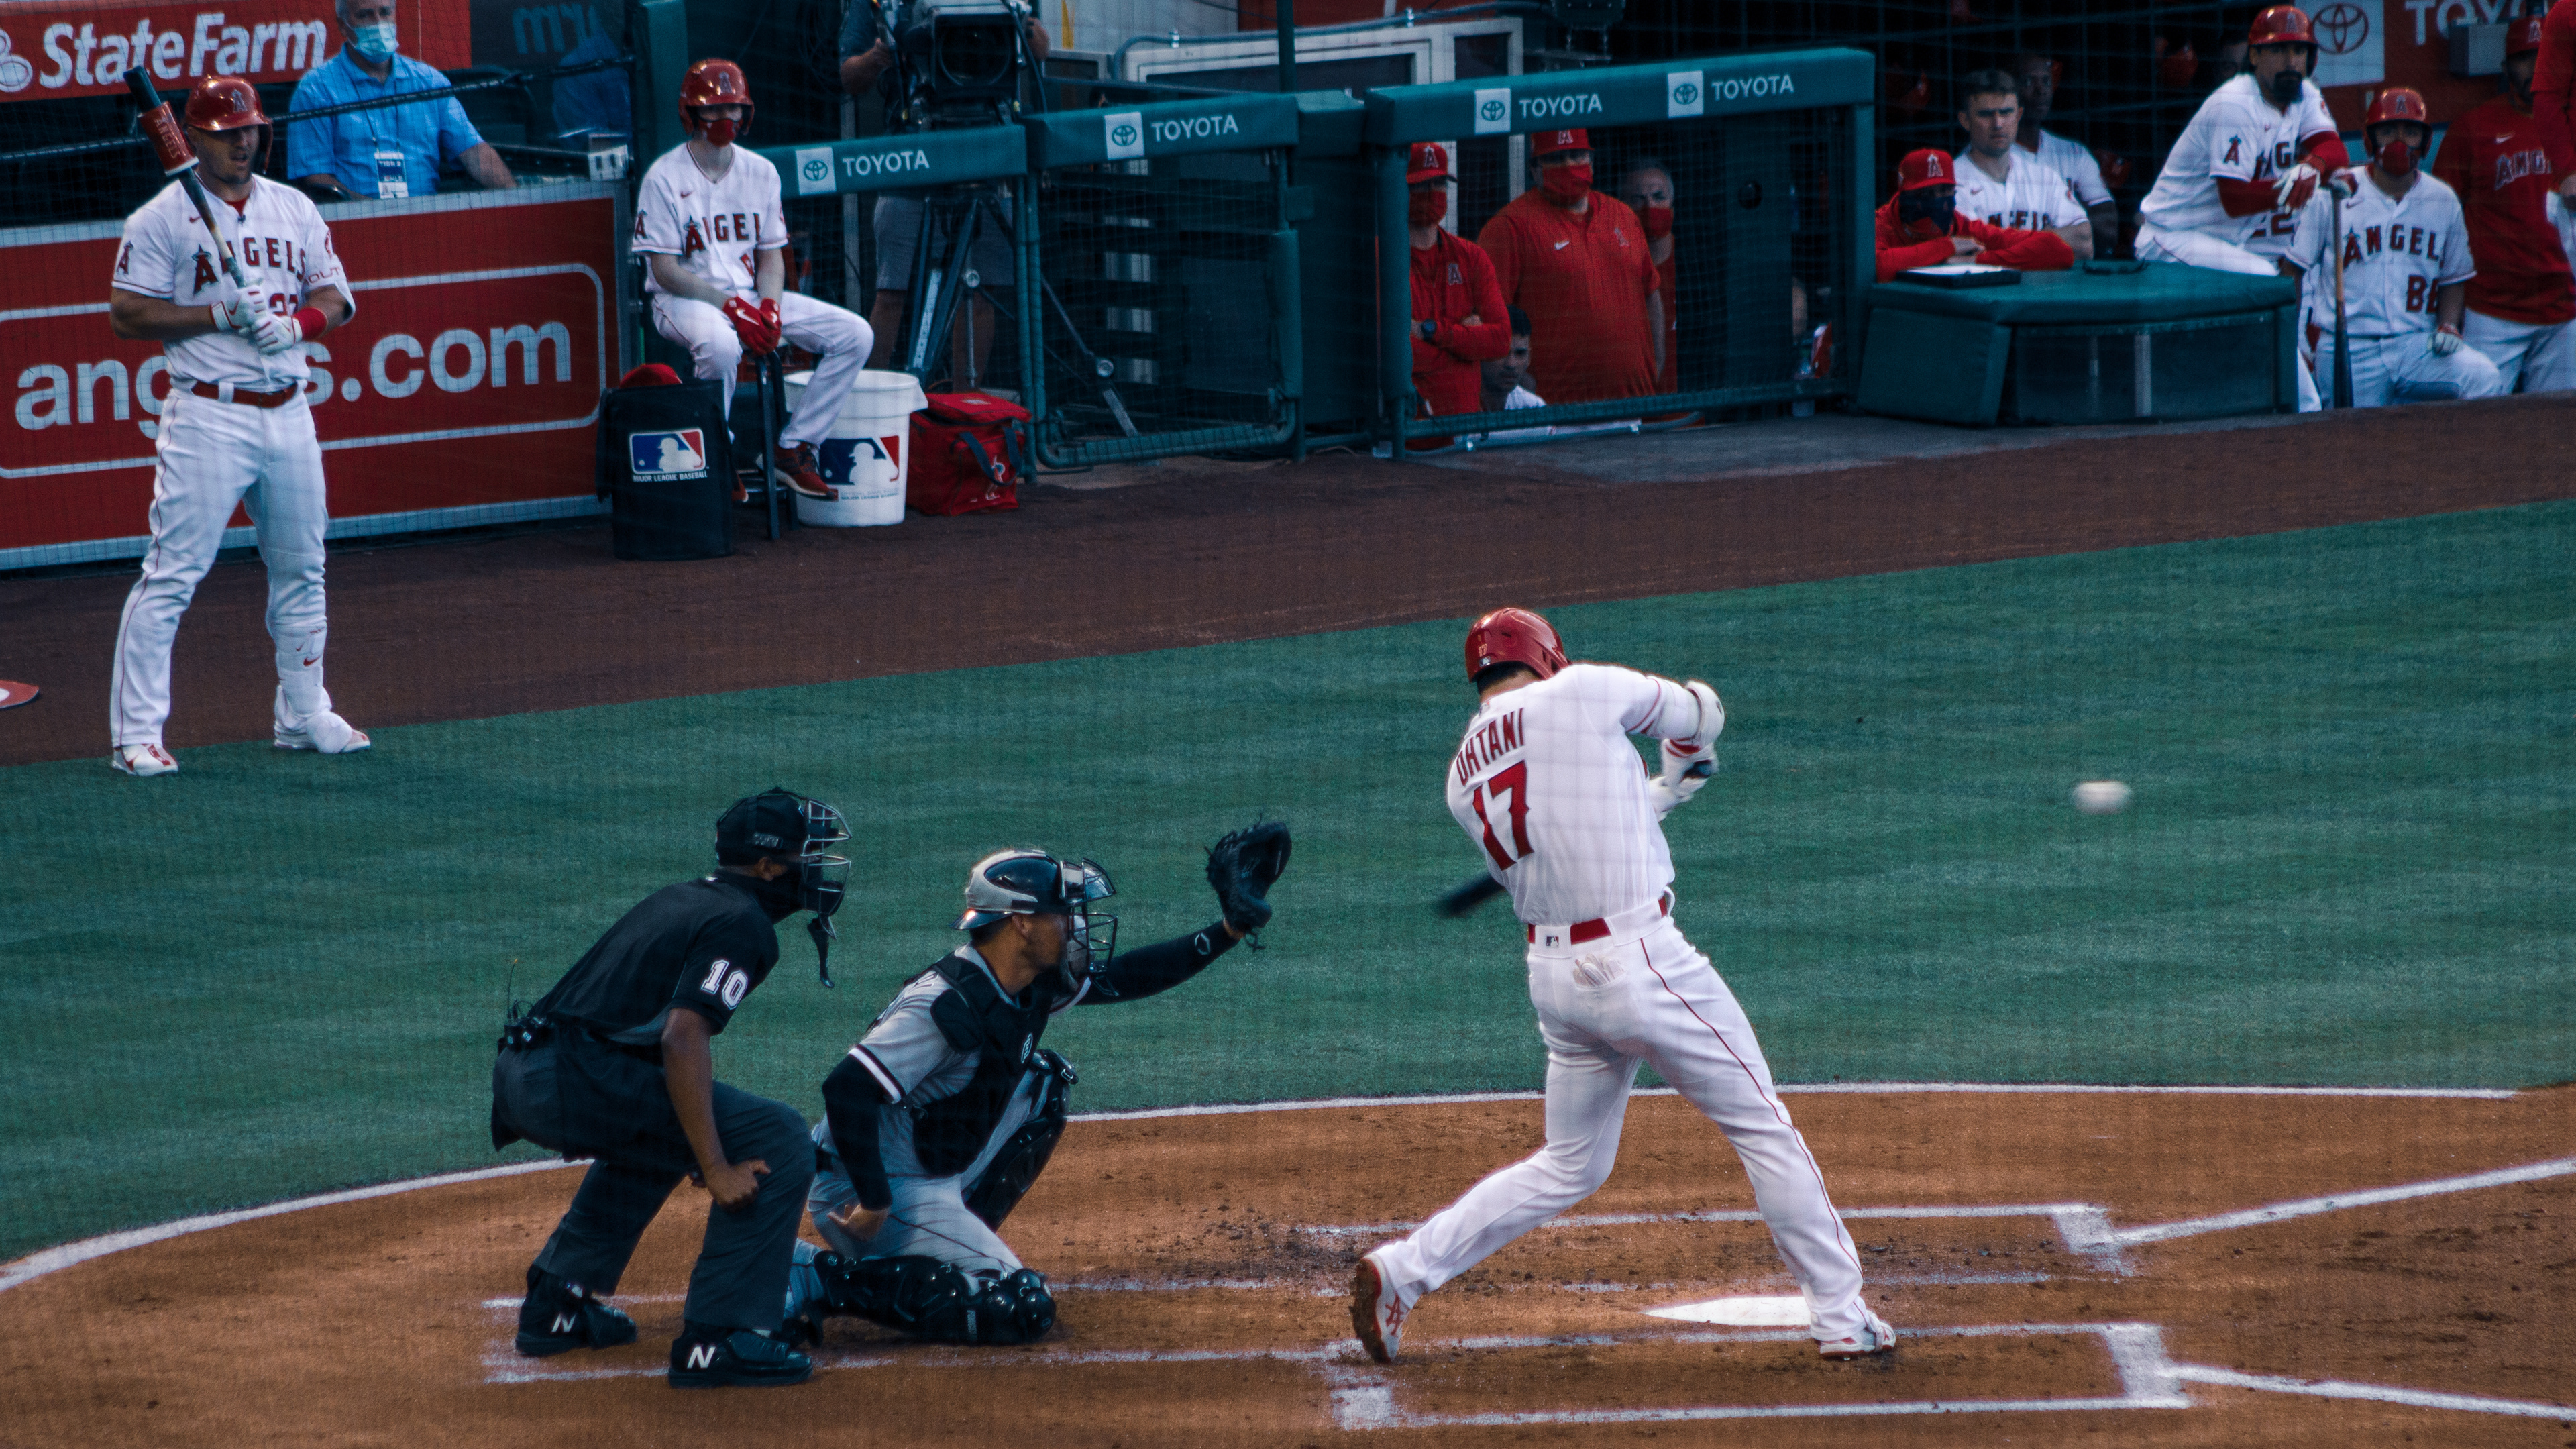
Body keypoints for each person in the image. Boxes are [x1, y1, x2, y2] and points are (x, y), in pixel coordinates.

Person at [1349, 608, 1892, 1364]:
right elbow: (1701, 710)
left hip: (1556, 984)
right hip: (1643, 962)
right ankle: (1840, 1316)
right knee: (1763, 1127)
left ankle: (1404, 1270)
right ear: (1547, 656)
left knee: (1571, 1163)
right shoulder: (1582, 691)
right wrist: (1689, 756)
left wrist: (1667, 788)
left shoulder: (1462, 772)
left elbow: (1590, 826)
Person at [782, 826, 1291, 1346]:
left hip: (928, 1161)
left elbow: (1132, 976)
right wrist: (875, 1201)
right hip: (863, 1186)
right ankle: (816, 1275)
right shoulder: (947, 1007)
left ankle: (942, 1241)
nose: (1074, 924)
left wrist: (1227, 931)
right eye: (1062, 912)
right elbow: (846, 1088)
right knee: (1018, 1309)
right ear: (1022, 923)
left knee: (1042, 1086)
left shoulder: (1030, 980)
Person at [490, 788, 850, 1388]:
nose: (817, 870)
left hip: (528, 1071)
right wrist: (715, 1165)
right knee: (779, 1135)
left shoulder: (684, 898)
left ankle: (558, 1304)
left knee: (678, 1120)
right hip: (573, 1077)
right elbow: (682, 1039)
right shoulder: (744, 924)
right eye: (807, 856)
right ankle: (723, 1337)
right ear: (766, 866)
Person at [106, 76, 364, 779]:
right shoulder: (159, 219)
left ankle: (303, 714)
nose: (242, 142)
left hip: (289, 409)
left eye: (249, 130)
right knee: (172, 576)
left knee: (303, 569)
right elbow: (126, 315)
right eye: (226, 133)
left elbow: (337, 297)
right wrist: (215, 316)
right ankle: (136, 736)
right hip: (209, 413)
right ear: (193, 139)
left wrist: (296, 324)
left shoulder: (294, 207)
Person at [633, 60, 873, 498]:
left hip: (747, 296)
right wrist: (729, 307)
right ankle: (718, 453)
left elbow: (771, 257)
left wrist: (770, 307)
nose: (726, 119)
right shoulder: (663, 177)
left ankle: (794, 447)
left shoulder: (761, 171)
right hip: (680, 299)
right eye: (714, 109)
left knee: (855, 335)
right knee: (722, 348)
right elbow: (664, 270)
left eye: (734, 108)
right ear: (691, 113)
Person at [840, 0, 1046, 387]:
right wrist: (883, 53)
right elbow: (850, 75)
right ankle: (873, 411)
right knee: (892, 289)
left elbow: (1040, 48)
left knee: (980, 288)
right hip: (913, 150)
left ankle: (962, 406)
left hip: (987, 142)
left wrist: (1016, 22)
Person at [2283, 87, 2502, 410]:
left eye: (2410, 132)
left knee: (2483, 377)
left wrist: (2449, 325)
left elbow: (2454, 279)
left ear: (2425, 141)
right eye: (2388, 131)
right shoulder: (2335, 194)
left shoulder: (2442, 200)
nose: (2399, 143)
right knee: (2351, 444)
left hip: (2417, 345)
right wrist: (2296, 339)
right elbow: (2292, 271)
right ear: (2370, 139)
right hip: (2350, 347)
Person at [2134, 6, 2349, 275]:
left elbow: (2334, 149)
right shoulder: (2236, 102)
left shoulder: (2304, 93)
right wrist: (2297, 185)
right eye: (2279, 51)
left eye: (2299, 50)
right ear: (2255, 56)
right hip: (2172, 234)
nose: (2291, 61)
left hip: (2223, 241)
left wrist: (2314, 166)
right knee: (2264, 275)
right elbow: (2234, 199)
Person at [2432, 17, 2575, 394]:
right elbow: (2439, 218)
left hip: (2564, 307)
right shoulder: (2472, 129)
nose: (2537, 69)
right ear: (2505, 67)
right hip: (2492, 309)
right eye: (2525, 59)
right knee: (2482, 421)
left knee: (2559, 423)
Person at [1476, 129, 1663, 404]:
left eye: (1576, 156)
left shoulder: (1622, 215)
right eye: (1556, 158)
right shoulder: (1510, 227)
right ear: (1534, 170)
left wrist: (1656, 363)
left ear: (1591, 160)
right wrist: (1522, 387)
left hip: (1631, 402)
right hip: (1554, 412)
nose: (1568, 166)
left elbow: (1650, 293)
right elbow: (1488, 319)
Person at [286, 0, 513, 199]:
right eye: (365, 15)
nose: (378, 23)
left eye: (385, 12)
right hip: (357, 225)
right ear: (343, 25)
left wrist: (515, 198)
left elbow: (475, 152)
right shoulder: (316, 90)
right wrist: (380, 216)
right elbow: (315, 179)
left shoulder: (429, 82)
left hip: (428, 218)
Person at [1405, 142, 1510, 424]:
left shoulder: (1471, 256)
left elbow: (1500, 340)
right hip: (1405, 439)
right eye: (1421, 185)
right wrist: (1465, 349)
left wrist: (1430, 332)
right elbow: (1393, 351)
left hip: (1465, 431)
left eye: (1439, 183)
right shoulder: (1382, 258)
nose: (1431, 193)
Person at [1874, 148, 2075, 282]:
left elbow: (2058, 250)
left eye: (1945, 191)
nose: (1938, 200)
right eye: (1927, 193)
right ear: (1905, 195)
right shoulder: (1880, 224)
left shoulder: (1962, 227)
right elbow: (1878, 266)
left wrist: (1975, 262)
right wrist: (1949, 247)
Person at [1952, 68, 2092, 258]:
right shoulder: (1952, 182)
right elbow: (1964, 254)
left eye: (2006, 112)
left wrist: (1997, 250)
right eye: (1986, 115)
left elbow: (2084, 242)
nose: (1998, 123)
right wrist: (2049, 240)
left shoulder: (2044, 176)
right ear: (1965, 120)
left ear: (2018, 115)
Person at [2011, 54, 2120, 255]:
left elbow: (2108, 230)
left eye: (2045, 81)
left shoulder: (2074, 154)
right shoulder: (1993, 158)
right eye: (2028, 82)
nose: (2040, 90)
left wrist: (2038, 239)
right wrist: (2071, 234)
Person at [1615, 159, 1681, 392]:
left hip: (1689, 419)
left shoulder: (1693, 266)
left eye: (1658, 196)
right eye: (1637, 199)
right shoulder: (1613, 269)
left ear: (1673, 203)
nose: (1649, 207)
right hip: (1631, 417)